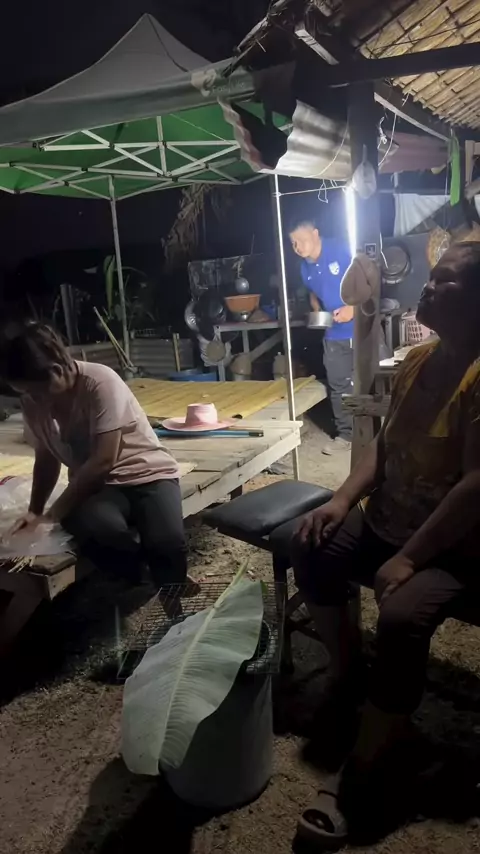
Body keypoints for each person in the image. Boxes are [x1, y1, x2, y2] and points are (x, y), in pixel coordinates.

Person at [292, 241, 480, 848]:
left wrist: (409, 558)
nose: (428, 287)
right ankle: (350, 677)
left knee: (400, 616)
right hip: (389, 522)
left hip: (456, 547)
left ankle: (366, 765)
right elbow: (385, 445)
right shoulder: (419, 360)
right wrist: (341, 499)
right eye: (432, 277)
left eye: (447, 282)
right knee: (313, 544)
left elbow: (475, 488)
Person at [0, 322, 187, 590]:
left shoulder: (100, 382)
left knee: (167, 543)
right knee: (99, 532)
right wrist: (35, 512)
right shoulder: (33, 402)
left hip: (148, 476)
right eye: (26, 393)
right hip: (99, 489)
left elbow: (103, 461)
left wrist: (51, 516)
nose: (32, 399)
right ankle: (147, 577)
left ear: (57, 371)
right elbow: (46, 457)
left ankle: (170, 591)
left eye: (36, 391)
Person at [289, 218, 354, 454]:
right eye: (293, 243)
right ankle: (347, 436)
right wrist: (316, 307)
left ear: (316, 234)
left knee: (375, 379)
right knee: (339, 385)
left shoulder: (341, 249)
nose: (298, 247)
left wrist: (353, 307)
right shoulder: (304, 267)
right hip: (334, 333)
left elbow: (370, 278)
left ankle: (386, 431)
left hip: (363, 328)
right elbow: (313, 290)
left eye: (301, 240)